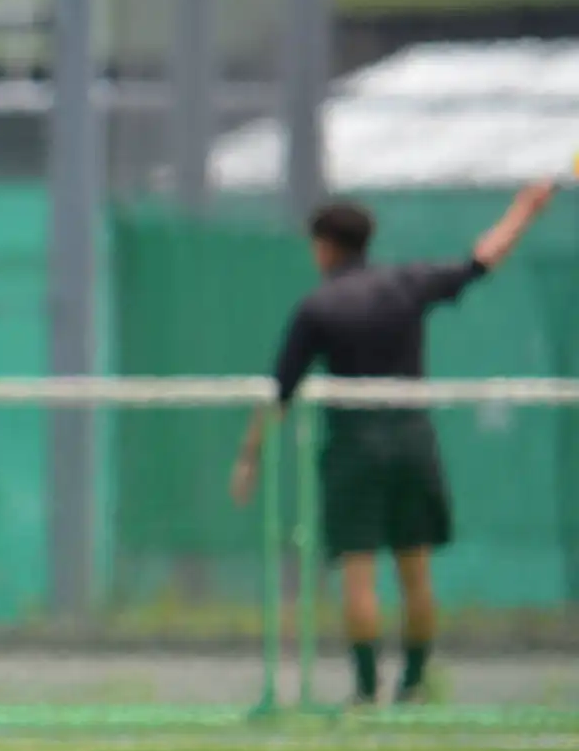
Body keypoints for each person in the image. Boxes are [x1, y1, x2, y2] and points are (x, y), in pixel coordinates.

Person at [231, 179, 559, 707]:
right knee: (416, 572)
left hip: (353, 447)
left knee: (359, 575)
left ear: (324, 246)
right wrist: (524, 209)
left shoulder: (318, 308)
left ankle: (365, 691)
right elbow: (481, 261)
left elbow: (279, 394)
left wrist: (249, 457)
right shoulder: (408, 284)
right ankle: (414, 684)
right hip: (411, 439)